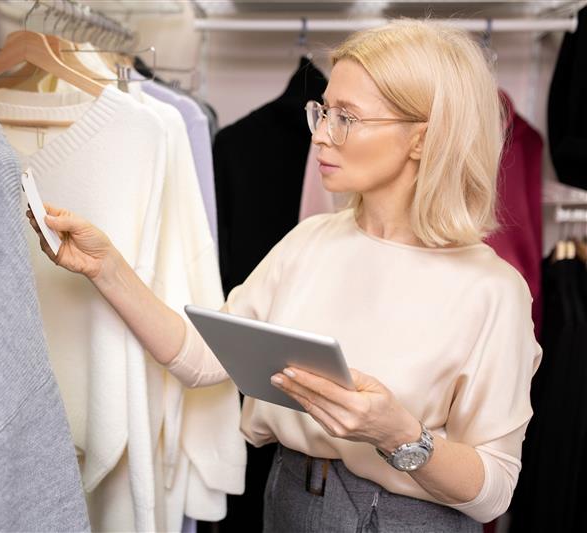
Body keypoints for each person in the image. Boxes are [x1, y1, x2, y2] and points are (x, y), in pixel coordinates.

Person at [27, 19, 542, 533]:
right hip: (289, 496)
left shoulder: (492, 291)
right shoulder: (311, 240)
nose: (319, 135)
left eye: (346, 117)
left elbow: (493, 491)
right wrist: (107, 268)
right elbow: (206, 357)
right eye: (321, 111)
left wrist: (400, 435)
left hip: (402, 517)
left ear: (421, 139)